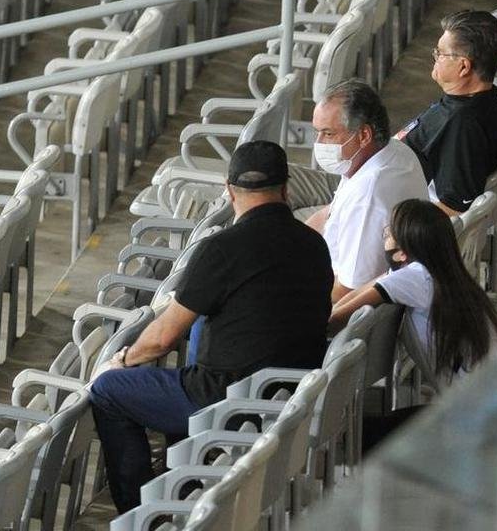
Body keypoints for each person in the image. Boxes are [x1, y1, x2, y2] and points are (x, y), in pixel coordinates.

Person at [89, 141, 333, 512]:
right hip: (290, 395)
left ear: (229, 190)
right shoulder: (314, 245)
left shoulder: (221, 249)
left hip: (225, 399)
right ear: (285, 189)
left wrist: (122, 359)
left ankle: (140, 514)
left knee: (109, 390)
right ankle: (176, 492)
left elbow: (162, 338)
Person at [330, 199, 497, 449]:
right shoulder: (438, 272)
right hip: (496, 415)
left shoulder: (416, 278)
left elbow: (338, 317)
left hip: (479, 427)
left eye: (387, 234)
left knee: (352, 439)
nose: (383, 238)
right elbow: (361, 292)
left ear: (403, 252)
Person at [305, 79, 428, 302]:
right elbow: (330, 213)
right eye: (317, 133)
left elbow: (348, 290)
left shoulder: (368, 195)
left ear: (363, 135)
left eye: (328, 133)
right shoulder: (389, 151)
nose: (319, 143)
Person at [397, 10, 497, 216]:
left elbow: (453, 209)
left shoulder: (463, 125)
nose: (435, 57)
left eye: (440, 53)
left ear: (464, 66)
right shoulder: (486, 98)